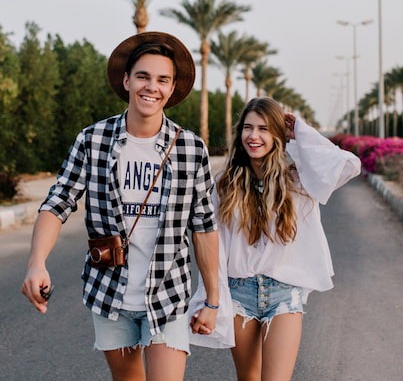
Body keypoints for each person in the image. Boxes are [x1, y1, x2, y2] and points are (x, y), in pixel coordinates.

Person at [21, 31, 219, 381]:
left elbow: (203, 225)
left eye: (162, 80)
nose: (151, 87)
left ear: (172, 89)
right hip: (110, 293)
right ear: (126, 80)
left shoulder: (190, 148)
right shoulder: (93, 139)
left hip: (167, 292)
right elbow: (58, 202)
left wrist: (212, 299)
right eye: (143, 76)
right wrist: (36, 263)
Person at [188, 97, 360, 381]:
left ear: (279, 136)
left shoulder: (300, 181)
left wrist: (302, 133)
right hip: (239, 292)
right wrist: (210, 301)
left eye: (265, 129)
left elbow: (349, 165)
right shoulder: (224, 184)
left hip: (284, 294)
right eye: (248, 127)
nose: (254, 136)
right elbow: (212, 246)